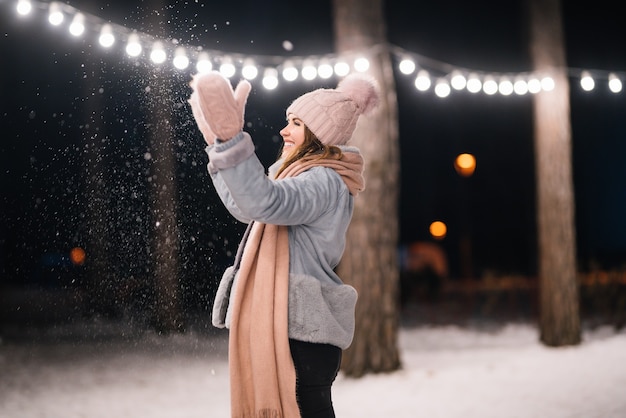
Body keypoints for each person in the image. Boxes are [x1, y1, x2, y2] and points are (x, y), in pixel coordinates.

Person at [188, 70, 379, 418]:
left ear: (317, 133)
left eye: (295, 123)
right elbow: (248, 207)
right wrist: (220, 150)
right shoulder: (300, 175)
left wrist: (232, 143)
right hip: (294, 330)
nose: (284, 131)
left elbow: (263, 202)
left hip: (302, 337)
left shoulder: (322, 180)